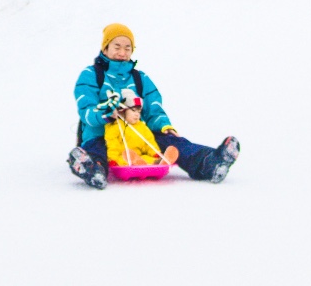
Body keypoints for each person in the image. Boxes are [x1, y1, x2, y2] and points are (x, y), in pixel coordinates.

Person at [68, 23, 240, 190]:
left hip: (137, 136)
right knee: (96, 147)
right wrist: (106, 114)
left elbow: (153, 108)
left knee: (173, 142)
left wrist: (164, 126)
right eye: (117, 46)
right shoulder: (91, 75)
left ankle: (210, 163)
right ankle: (92, 168)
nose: (122, 52)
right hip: (102, 133)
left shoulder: (139, 78)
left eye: (127, 48)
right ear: (105, 48)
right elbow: (87, 111)